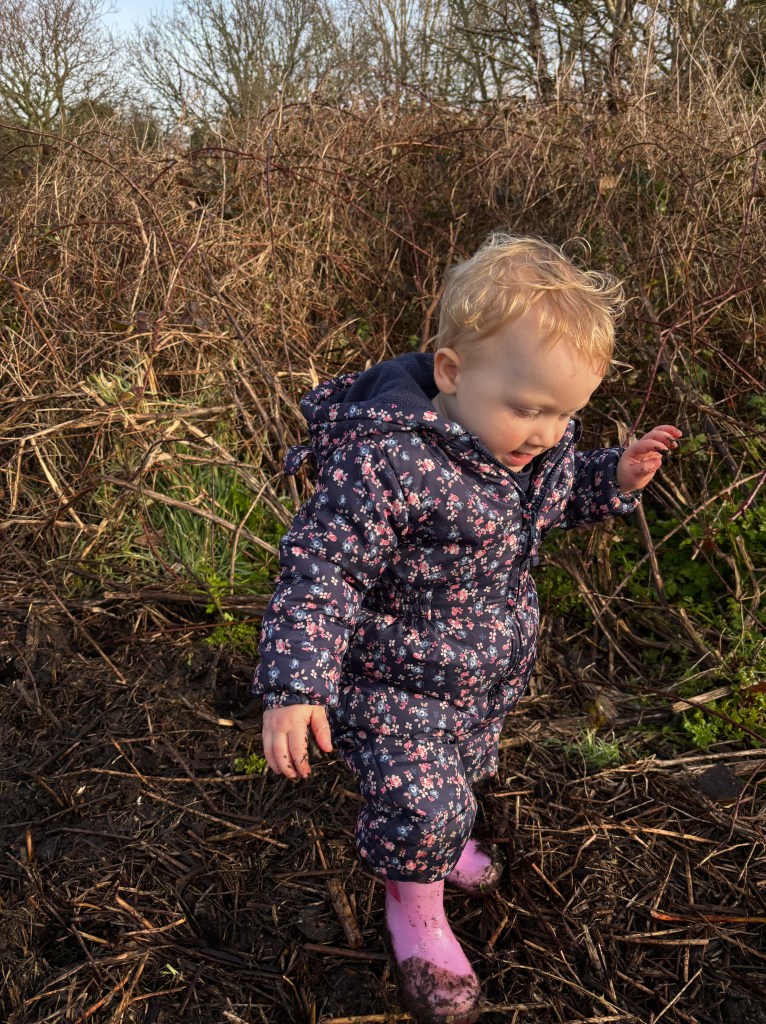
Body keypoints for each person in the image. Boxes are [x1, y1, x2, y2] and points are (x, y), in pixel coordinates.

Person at [253, 233, 682, 1023]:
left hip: (477, 674)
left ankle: (437, 847)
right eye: (529, 409)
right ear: (451, 374)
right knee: (425, 800)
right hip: (389, 680)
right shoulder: (388, 463)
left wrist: (613, 477)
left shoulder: (526, 450)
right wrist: (295, 685)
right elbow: (323, 571)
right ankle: (414, 910)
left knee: (462, 774)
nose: (548, 433)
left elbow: (551, 500)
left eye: (566, 415)